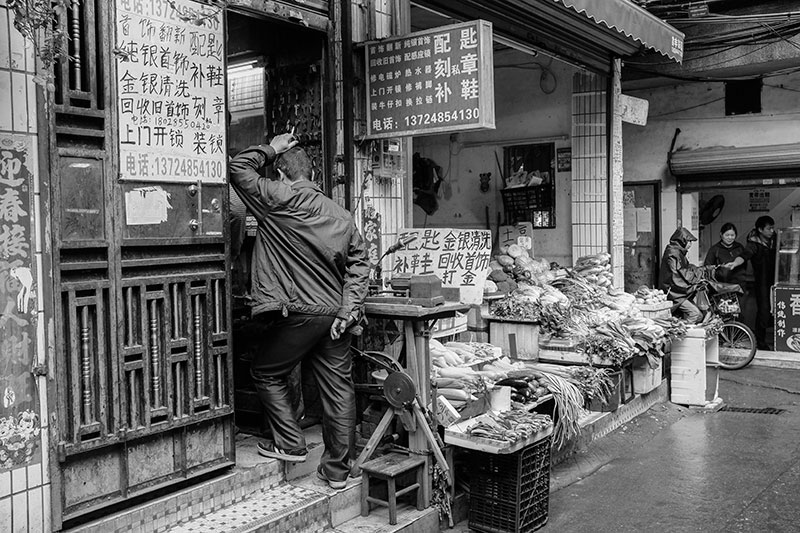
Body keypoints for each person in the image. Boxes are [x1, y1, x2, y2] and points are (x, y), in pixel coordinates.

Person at [229, 133, 370, 490]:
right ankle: (337, 472)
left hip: (299, 312)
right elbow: (359, 263)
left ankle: (290, 443)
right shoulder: (341, 215)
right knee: (338, 390)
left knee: (265, 371)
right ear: (314, 177)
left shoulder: (279, 198)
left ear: (281, 175)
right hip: (334, 315)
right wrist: (347, 309)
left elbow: (238, 167)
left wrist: (272, 147)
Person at [659, 227, 708, 324]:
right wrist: (692, 284)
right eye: (689, 242)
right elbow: (677, 274)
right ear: (683, 241)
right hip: (674, 293)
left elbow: (685, 269)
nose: (690, 245)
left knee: (698, 314)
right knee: (696, 314)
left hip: (678, 293)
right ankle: (679, 330)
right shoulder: (673, 254)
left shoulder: (678, 253)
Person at [745, 215, 776, 350]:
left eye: (772, 228)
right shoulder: (753, 244)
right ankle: (761, 341)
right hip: (761, 282)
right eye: (769, 228)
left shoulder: (774, 239)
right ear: (760, 229)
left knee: (777, 309)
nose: (772, 231)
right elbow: (744, 256)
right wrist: (734, 263)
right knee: (764, 310)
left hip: (775, 280)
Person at [704, 223, 750, 288]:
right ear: (721, 234)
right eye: (727, 235)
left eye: (732, 235)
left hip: (739, 284)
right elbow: (707, 267)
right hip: (722, 286)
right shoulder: (715, 249)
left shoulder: (739, 247)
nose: (730, 238)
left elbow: (744, 263)